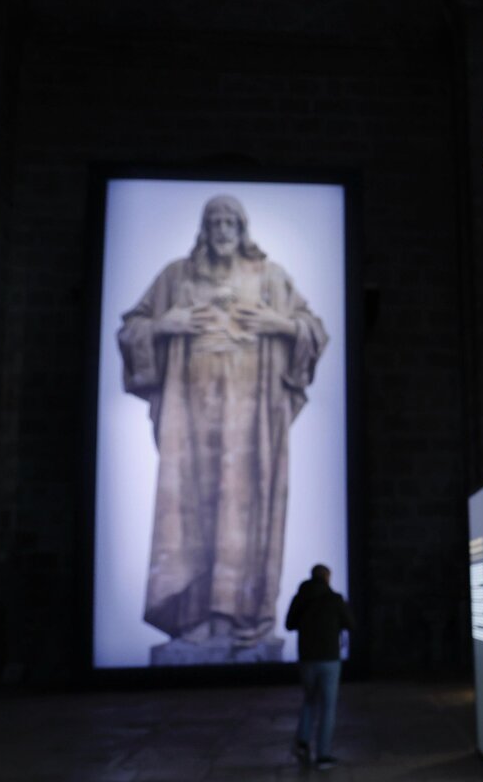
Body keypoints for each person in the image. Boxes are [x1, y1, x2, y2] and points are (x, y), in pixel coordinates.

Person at [118, 195, 327, 662]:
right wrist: (163, 325)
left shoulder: (269, 277)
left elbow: (313, 328)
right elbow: (133, 327)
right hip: (189, 422)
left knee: (243, 511)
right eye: (215, 220)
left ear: (243, 226)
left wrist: (282, 324)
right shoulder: (177, 276)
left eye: (231, 220)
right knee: (190, 512)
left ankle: (239, 618)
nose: (222, 227)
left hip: (251, 423)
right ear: (204, 228)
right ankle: (193, 619)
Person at [286, 564, 354, 769]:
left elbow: (290, 624)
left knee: (309, 700)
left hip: (307, 657)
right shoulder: (334, 599)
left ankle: (303, 741)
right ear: (327, 577)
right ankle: (323, 755)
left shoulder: (301, 598)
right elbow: (351, 624)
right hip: (329, 658)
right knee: (328, 706)